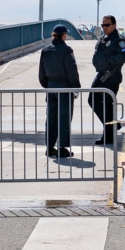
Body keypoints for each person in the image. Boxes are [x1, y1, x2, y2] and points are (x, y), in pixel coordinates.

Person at [38, 24, 81, 158]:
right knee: (64, 118)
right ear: (64, 35)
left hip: (51, 88)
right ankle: (62, 147)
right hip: (65, 88)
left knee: (51, 118)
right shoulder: (67, 50)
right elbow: (72, 71)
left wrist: (48, 85)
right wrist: (76, 87)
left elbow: (41, 74)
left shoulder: (45, 50)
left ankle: (49, 147)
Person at [89, 15, 125, 145]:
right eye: (103, 25)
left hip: (111, 76)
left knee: (107, 105)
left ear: (114, 25)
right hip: (100, 75)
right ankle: (112, 126)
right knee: (92, 100)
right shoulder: (103, 38)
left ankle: (108, 135)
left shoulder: (118, 40)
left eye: (107, 25)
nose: (104, 28)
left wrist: (108, 62)